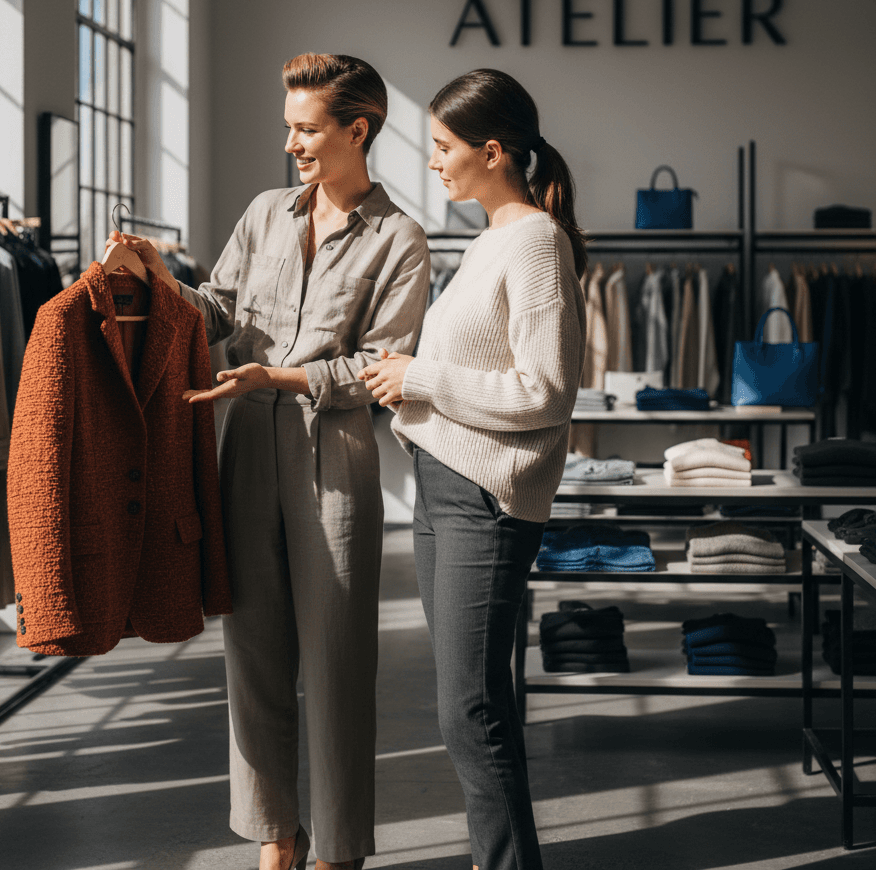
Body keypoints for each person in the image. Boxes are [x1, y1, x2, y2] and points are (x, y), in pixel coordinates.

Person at [112, 53, 430, 870]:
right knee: (252, 649)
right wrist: (158, 276)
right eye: (289, 126)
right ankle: (276, 838)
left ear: (357, 130)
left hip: (337, 453)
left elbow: (382, 366)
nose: (291, 142)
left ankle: (339, 849)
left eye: (307, 128)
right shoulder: (263, 214)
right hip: (246, 438)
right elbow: (216, 310)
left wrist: (279, 375)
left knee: (335, 662)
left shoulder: (400, 239)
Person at [359, 68, 587, 870]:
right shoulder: (496, 238)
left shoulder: (533, 244)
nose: (433, 163)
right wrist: (409, 372)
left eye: (444, 147)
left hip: (480, 501)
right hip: (446, 488)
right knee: (467, 705)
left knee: (472, 709)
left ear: (493, 152)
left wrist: (417, 377)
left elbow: (546, 393)